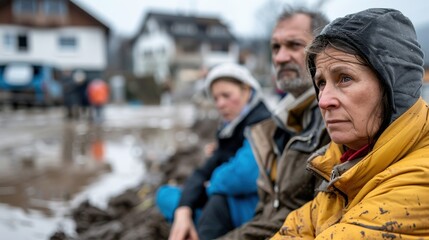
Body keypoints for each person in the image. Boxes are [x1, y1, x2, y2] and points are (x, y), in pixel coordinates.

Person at [270, 8, 429, 239]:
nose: (323, 101)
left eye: (344, 78)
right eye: (321, 83)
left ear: (393, 87)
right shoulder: (343, 168)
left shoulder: (420, 180)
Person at [218, 6, 330, 240]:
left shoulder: (334, 122)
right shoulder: (280, 123)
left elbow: (315, 219)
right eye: (275, 47)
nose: (279, 57)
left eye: (294, 45)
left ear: (324, 48)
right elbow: (268, 206)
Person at [155, 62, 271, 240]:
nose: (220, 104)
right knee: (166, 195)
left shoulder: (262, 123)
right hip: (221, 197)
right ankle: (190, 223)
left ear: (246, 91)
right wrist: (184, 209)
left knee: (217, 201)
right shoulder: (228, 130)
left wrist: (209, 185)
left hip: (249, 203)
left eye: (226, 95)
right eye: (216, 98)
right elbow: (203, 171)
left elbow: (244, 174)